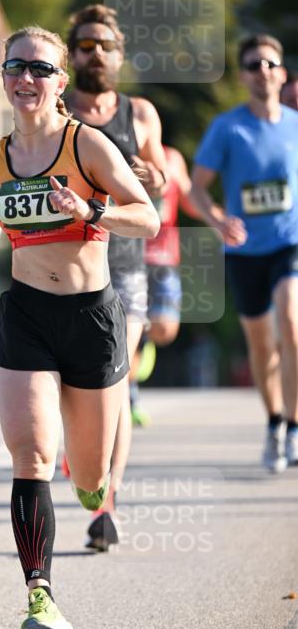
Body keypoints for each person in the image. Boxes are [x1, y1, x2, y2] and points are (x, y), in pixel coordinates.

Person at [0, 26, 159, 629]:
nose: (27, 79)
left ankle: (95, 489)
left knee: (89, 475)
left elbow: (145, 216)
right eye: (16, 67)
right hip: (27, 317)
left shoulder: (86, 145)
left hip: (91, 319)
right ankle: (40, 595)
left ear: (60, 82)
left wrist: (90, 211)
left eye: (40, 69)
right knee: (32, 454)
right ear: (5, 77)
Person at [63, 4, 167, 548]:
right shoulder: (55, 111)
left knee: (116, 382)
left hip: (124, 270)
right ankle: (84, 458)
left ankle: (108, 500)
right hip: (65, 269)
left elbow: (162, 181)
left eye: (104, 45)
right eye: (84, 45)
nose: (95, 53)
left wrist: (154, 175)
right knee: (71, 388)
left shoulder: (140, 113)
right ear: (72, 54)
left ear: (119, 54)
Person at [190, 34, 298, 471]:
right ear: (242, 76)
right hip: (244, 249)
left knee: (291, 324)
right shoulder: (227, 128)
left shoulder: (295, 123)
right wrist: (218, 221)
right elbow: (196, 189)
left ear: (283, 73)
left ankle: (294, 426)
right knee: (261, 344)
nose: (262, 71)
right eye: (253, 65)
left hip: (290, 242)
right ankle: (273, 420)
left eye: (269, 64)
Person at [133, 144, 204, 423]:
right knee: (128, 332)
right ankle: (130, 400)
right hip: (128, 256)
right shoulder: (117, 152)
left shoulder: (173, 159)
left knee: (165, 328)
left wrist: (217, 215)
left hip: (164, 258)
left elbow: (190, 199)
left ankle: (145, 337)